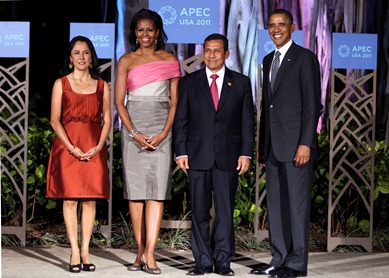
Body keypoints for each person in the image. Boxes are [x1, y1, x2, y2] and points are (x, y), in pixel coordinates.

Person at [173, 33, 255, 276]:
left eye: (216, 51)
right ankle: (202, 262)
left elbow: (247, 122)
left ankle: (223, 262)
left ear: (226, 54)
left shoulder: (240, 82)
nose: (211, 55)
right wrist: (181, 152)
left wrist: (246, 153)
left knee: (225, 212)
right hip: (197, 156)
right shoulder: (189, 82)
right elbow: (181, 120)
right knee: (199, 212)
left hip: (228, 157)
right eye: (207, 50)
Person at [250, 9, 321, 278]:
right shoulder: (268, 59)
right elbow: (268, 108)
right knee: (277, 206)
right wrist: (261, 144)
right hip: (273, 148)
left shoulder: (305, 58)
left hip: (296, 147)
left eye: (281, 24)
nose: (276, 29)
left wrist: (305, 143)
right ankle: (278, 259)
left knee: (297, 206)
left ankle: (296, 264)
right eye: (271, 25)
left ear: (292, 27)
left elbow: (313, 105)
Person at [114, 8, 181, 275]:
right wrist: (134, 133)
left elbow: (175, 102)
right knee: (136, 194)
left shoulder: (169, 59)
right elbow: (119, 101)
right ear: (134, 33)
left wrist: (164, 132)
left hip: (162, 131)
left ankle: (151, 254)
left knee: (157, 193)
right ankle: (139, 252)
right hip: (133, 133)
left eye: (149, 30)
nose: (145, 35)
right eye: (140, 30)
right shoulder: (126, 61)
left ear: (157, 32)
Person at [46, 35, 111, 273]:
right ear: (70, 57)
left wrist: (99, 146)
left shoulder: (103, 85)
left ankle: (86, 251)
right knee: (71, 198)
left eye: (85, 52)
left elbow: (107, 120)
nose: (81, 57)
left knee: (90, 198)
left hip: (94, 147)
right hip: (68, 147)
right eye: (76, 52)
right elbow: (54, 120)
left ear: (91, 57)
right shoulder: (60, 83)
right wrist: (71, 147)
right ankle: (74, 251)